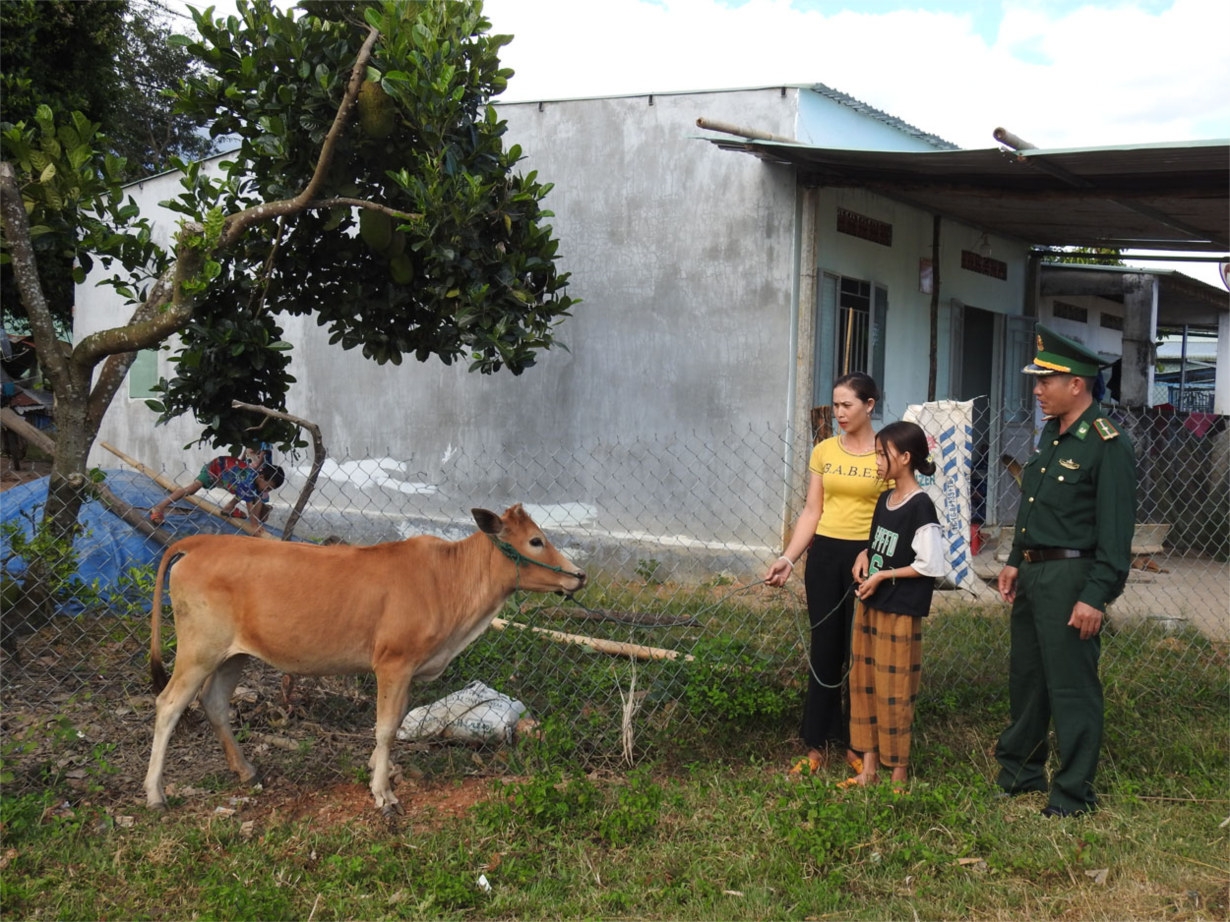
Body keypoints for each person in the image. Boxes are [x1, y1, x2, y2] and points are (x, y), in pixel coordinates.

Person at [994, 324, 1136, 818]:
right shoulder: (1052, 437)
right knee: (1027, 679)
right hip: (1034, 576)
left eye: (1044, 381)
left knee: (1072, 687)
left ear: (1076, 383)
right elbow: (1035, 507)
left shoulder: (1106, 443)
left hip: (1073, 580)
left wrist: (1096, 595)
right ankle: (1020, 774)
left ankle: (1073, 794)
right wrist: (1015, 560)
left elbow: (1115, 536)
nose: (1037, 389)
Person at [765, 372, 891, 776]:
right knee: (825, 650)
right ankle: (815, 743)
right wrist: (788, 557)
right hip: (824, 557)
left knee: (860, 653)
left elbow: (896, 510)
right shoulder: (823, 451)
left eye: (847, 405)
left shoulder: (887, 452)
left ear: (869, 405)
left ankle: (857, 743)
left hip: (867, 559)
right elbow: (811, 511)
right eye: (835, 405)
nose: (838, 413)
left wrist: (873, 553)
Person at [842, 421, 945, 791]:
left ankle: (898, 771)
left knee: (895, 688)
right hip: (869, 605)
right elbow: (879, 543)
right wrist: (864, 555)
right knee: (865, 683)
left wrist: (884, 577)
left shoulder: (920, 505)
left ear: (904, 457)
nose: (877, 460)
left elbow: (930, 564)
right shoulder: (885, 499)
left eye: (882, 454)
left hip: (899, 610)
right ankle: (868, 768)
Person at [148, 455, 285, 533]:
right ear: (261, 477)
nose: (267, 491)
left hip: (230, 478)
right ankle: (160, 507)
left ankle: (228, 508)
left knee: (244, 492)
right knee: (193, 489)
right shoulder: (249, 481)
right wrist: (254, 525)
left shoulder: (255, 482)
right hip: (216, 469)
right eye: (268, 487)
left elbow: (256, 499)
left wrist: (258, 520)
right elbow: (250, 505)